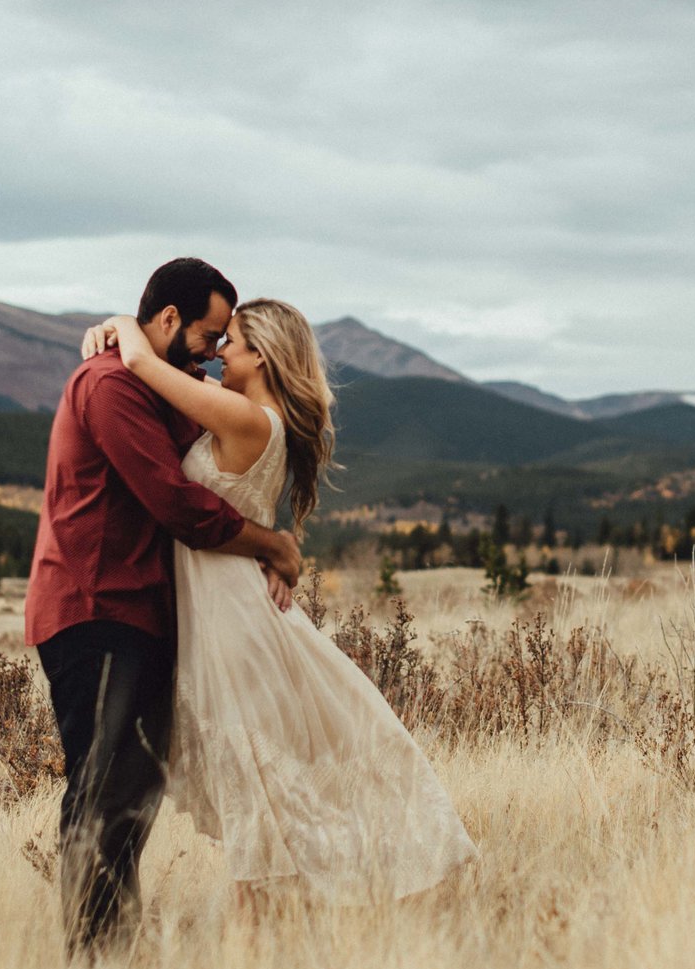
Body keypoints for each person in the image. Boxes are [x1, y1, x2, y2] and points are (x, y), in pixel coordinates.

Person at [82, 298, 476, 902]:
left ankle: (259, 947)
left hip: (232, 619)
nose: (218, 354)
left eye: (231, 343)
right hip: (226, 608)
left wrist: (116, 325)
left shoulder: (248, 419)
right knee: (257, 793)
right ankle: (267, 944)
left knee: (256, 792)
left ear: (261, 354)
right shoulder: (256, 418)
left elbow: (138, 361)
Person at [26, 257, 303, 951]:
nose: (214, 353)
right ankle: (94, 957)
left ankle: (113, 949)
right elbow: (178, 503)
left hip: (144, 616)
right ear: (171, 319)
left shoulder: (163, 385)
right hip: (95, 610)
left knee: (134, 793)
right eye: (210, 335)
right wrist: (270, 544)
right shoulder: (111, 386)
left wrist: (125, 327)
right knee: (103, 788)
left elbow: (224, 460)